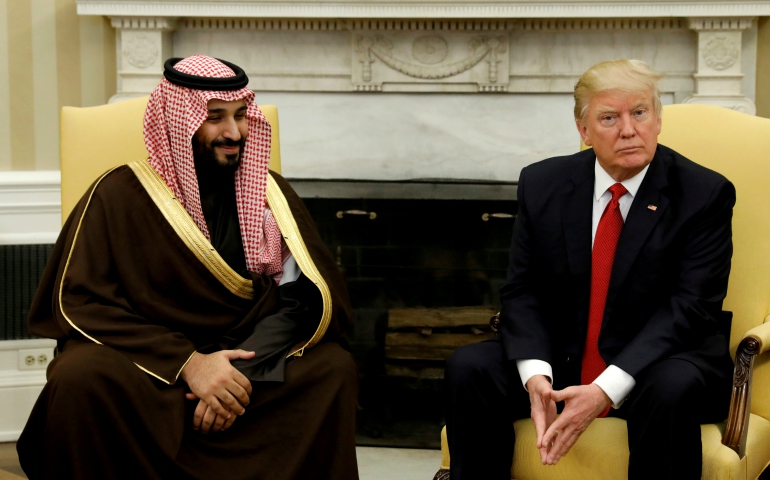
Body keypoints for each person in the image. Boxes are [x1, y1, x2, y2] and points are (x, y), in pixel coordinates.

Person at [17, 55, 359, 480]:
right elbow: (80, 303)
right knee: (80, 377)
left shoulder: (270, 196)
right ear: (177, 121)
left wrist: (234, 377)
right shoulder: (116, 195)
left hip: (244, 360)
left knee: (331, 369)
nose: (233, 133)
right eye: (215, 118)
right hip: (152, 366)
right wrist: (190, 364)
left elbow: (304, 298)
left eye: (240, 116)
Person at [444, 59, 735, 479]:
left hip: (660, 360)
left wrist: (605, 389)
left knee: (670, 388)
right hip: (566, 356)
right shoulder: (543, 183)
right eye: (609, 118)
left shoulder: (704, 193)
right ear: (583, 130)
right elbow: (522, 290)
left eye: (639, 113)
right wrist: (536, 377)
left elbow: (691, 308)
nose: (629, 130)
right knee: (469, 367)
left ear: (657, 119)